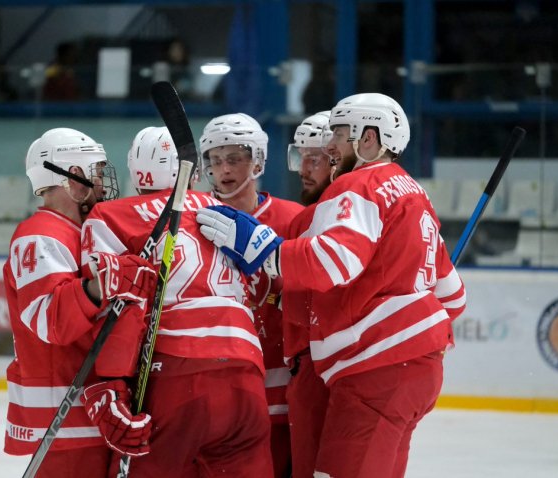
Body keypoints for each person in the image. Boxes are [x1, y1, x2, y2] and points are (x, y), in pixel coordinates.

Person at [197, 93, 467, 478]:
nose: (329, 147)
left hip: (375, 368)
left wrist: (263, 248)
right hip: (410, 368)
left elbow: (332, 262)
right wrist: (422, 334)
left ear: (369, 139)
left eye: (338, 134)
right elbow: (453, 296)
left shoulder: (360, 185)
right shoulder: (411, 191)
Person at [80, 126, 274, 477]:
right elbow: (261, 288)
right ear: (192, 170)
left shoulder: (111, 217)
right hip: (246, 372)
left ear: (134, 168)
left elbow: (120, 308)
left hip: (177, 374)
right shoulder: (225, 212)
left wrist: (108, 384)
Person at [3, 127, 157, 478]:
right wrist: (99, 287)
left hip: (89, 413)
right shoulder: (41, 235)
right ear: (74, 176)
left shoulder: (86, 232)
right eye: (98, 172)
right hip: (65, 416)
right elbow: (49, 319)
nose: (103, 183)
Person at [199, 113, 303, 478]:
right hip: (214, 388)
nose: (224, 169)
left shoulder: (294, 219)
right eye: (215, 159)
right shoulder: (194, 221)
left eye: (235, 158)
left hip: (282, 388)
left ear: (257, 161)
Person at [283, 111, 336, 478]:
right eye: (299, 156)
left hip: (315, 367)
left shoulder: (311, 218)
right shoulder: (374, 208)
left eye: (314, 158)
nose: (303, 168)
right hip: (343, 367)